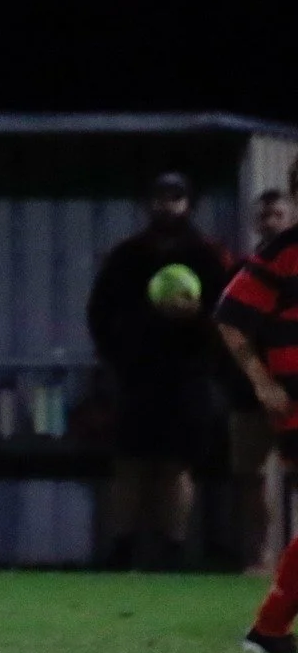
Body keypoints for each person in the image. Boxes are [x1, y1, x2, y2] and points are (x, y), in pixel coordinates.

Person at [87, 171, 232, 569]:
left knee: (176, 464)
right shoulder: (127, 255)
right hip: (136, 377)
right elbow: (99, 312)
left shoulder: (207, 254)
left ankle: (172, 549)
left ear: (188, 203)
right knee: (129, 464)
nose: (166, 205)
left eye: (175, 197)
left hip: (189, 376)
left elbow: (231, 314)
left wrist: (199, 323)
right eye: (159, 197)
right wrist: (117, 355)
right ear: (148, 203)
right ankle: (122, 549)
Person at [218, 175, 298, 653]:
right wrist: (262, 381)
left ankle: (269, 629)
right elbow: (230, 317)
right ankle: (267, 629)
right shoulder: (283, 252)